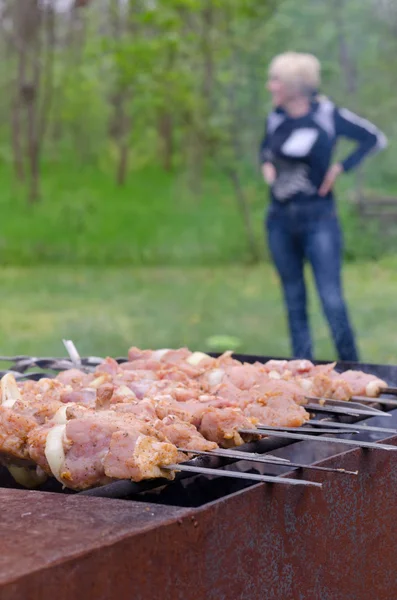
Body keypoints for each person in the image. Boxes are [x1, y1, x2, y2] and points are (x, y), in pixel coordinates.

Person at [260, 52, 387, 361]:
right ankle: (302, 369)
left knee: (331, 298)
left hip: (319, 220)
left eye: (275, 79)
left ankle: (352, 368)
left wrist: (340, 167)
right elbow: (265, 149)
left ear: (294, 84)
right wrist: (267, 167)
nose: (270, 86)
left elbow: (375, 138)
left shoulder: (328, 115)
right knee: (293, 299)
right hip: (279, 220)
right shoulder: (275, 117)